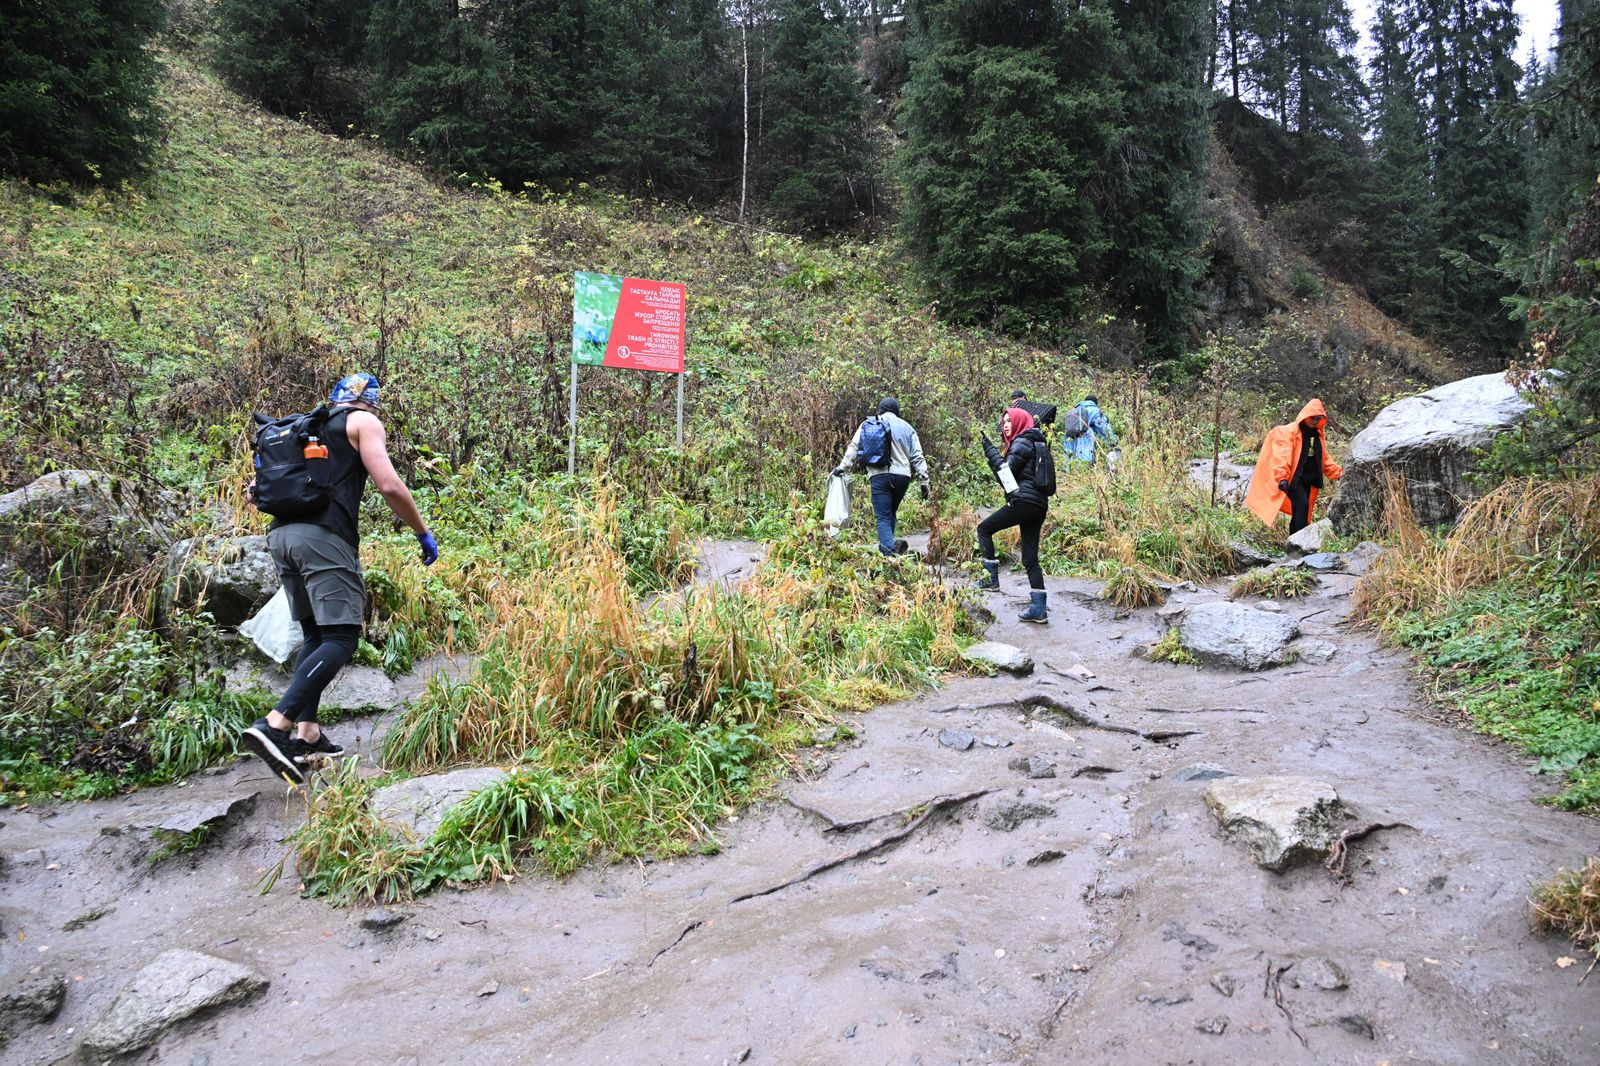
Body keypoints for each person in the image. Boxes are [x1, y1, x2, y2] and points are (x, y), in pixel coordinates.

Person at [239, 373, 438, 784]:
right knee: (343, 637)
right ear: (375, 403)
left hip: (281, 536)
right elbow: (389, 484)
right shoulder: (363, 422)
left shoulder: (306, 428)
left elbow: (255, 491)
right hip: (323, 538)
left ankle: (307, 735)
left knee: (316, 635)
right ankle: (274, 724)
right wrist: (421, 530)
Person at [975, 406, 1054, 624]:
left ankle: (990, 579)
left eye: (1010, 421)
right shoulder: (1039, 443)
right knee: (1030, 558)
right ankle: (1039, 608)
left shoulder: (1021, 441)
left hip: (1023, 501)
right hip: (1038, 506)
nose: (1006, 425)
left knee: (984, 529)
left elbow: (1006, 478)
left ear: (1020, 422)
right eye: (1004, 421)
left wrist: (990, 452)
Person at [834, 397, 931, 556]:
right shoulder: (907, 427)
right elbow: (917, 456)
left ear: (880, 409)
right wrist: (923, 481)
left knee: (883, 517)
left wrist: (842, 468)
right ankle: (887, 547)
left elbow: (854, 447)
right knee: (890, 513)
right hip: (902, 478)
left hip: (880, 476)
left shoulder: (869, 423)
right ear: (897, 410)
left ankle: (889, 555)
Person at [1245, 398, 1343, 534]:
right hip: (1293, 479)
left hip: (1308, 478)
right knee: (1302, 506)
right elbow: (1282, 457)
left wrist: (1338, 473)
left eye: (1318, 418)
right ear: (1306, 415)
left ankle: (1294, 544)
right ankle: (1299, 544)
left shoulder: (1317, 435)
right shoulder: (1290, 432)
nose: (1314, 421)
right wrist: (1282, 478)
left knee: (1301, 509)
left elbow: (1324, 459)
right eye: (1312, 418)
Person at [1062, 394, 1118, 464]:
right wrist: (1112, 441)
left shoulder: (1073, 411)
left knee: (1071, 463)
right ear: (1095, 403)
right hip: (1084, 440)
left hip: (1070, 440)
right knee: (1084, 463)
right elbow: (1103, 427)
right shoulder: (1095, 411)